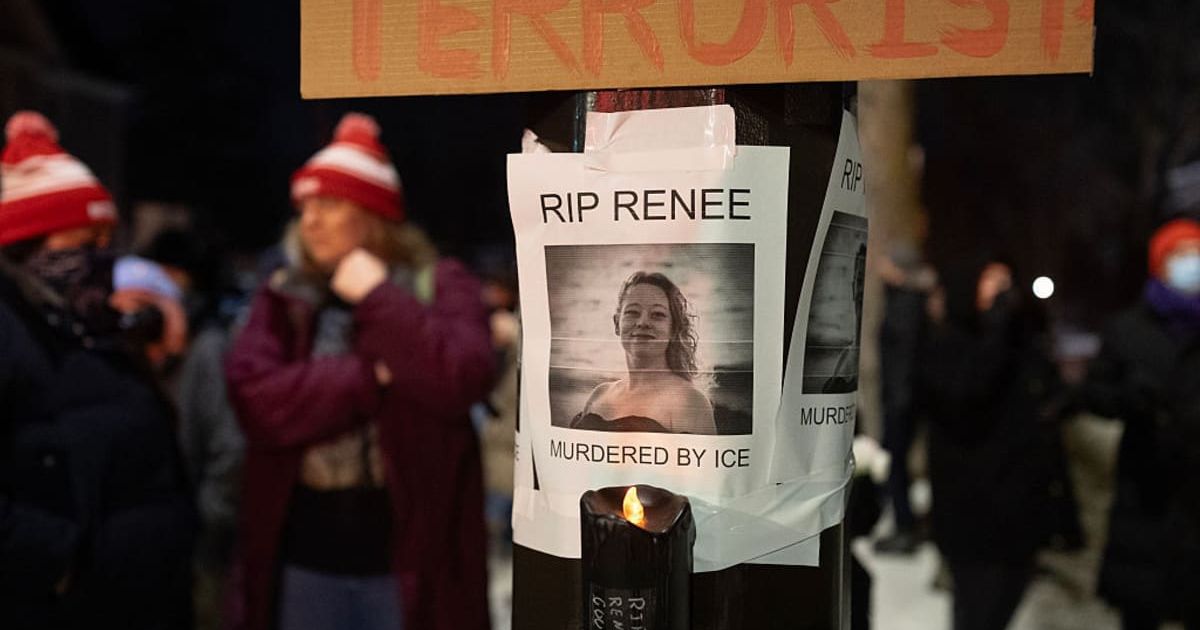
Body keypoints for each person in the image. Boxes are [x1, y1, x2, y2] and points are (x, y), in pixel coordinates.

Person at [224, 112, 494, 630]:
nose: (311, 221)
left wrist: (377, 296)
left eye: (328, 204)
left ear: (372, 213)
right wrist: (372, 376)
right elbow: (258, 403)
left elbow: (462, 376)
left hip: (409, 566)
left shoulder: (436, 285)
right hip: (302, 562)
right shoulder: (284, 298)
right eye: (304, 207)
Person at [0, 111, 194, 629]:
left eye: (107, 244)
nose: (102, 261)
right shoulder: (14, 332)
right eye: (84, 246)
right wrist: (59, 563)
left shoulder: (93, 325)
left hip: (141, 597)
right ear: (24, 248)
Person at [917, 257, 1058, 630]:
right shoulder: (946, 345)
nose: (998, 293)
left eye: (1004, 284)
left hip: (1017, 509)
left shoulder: (1013, 341)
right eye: (989, 283)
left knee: (1005, 602)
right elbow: (966, 395)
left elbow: (1045, 388)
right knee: (978, 612)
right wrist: (997, 332)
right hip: (972, 514)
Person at [1083, 217, 1200, 630]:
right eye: (1182, 256)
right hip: (1145, 493)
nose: (1192, 264)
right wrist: (1128, 399)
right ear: (1161, 264)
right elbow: (1094, 393)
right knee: (1141, 606)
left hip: (1195, 495)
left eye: (1197, 255)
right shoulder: (1127, 329)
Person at [571, 270, 716, 435]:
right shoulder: (599, 395)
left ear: (674, 330)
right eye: (633, 312)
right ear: (617, 324)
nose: (643, 322)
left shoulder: (689, 402)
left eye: (657, 315)